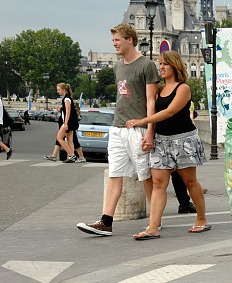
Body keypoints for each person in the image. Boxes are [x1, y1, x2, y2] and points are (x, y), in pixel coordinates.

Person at [77, 23, 159, 236]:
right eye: (113, 40)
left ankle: (154, 221)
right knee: (115, 174)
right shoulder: (118, 66)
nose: (114, 44)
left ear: (130, 40)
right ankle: (106, 221)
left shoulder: (147, 65)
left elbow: (152, 101)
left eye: (117, 40)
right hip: (117, 127)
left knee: (145, 176)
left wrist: (150, 130)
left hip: (138, 128)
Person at [125, 50, 209, 240]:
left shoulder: (183, 89)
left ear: (175, 66)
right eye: (159, 63)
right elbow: (155, 112)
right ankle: (153, 227)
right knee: (158, 184)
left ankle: (201, 219)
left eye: (165, 64)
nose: (160, 67)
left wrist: (141, 121)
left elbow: (170, 112)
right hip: (162, 141)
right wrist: (150, 133)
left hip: (183, 140)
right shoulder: (159, 89)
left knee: (189, 181)